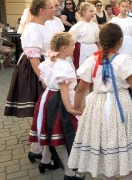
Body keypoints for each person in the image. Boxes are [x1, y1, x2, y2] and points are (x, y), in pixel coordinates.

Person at [68, 23, 132, 179]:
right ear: (120, 41)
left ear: (99, 40)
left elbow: (80, 89)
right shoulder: (123, 60)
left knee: (102, 141)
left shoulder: (91, 61)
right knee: (125, 140)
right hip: (121, 104)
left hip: (97, 105)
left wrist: (76, 107)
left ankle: (107, 172)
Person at [4, 0, 54, 164]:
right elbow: (33, 57)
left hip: (42, 66)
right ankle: (39, 147)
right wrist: (42, 77)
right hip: (34, 69)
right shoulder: (32, 28)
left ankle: (37, 148)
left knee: (42, 110)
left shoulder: (42, 26)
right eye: (50, 7)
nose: (53, 10)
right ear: (41, 10)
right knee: (41, 109)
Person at [28, 32, 83, 180]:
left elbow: (44, 82)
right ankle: (70, 173)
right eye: (72, 45)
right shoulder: (63, 66)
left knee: (49, 130)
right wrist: (70, 108)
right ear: (64, 48)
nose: (74, 47)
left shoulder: (48, 62)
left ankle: (45, 161)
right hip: (60, 100)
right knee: (67, 134)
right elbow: (64, 89)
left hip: (47, 98)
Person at [68, 3, 100, 69]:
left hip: (94, 48)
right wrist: (70, 54)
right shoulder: (78, 26)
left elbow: (98, 39)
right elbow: (70, 40)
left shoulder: (94, 25)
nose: (93, 13)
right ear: (84, 13)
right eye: (91, 11)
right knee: (84, 68)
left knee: (94, 67)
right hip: (83, 50)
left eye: (93, 11)